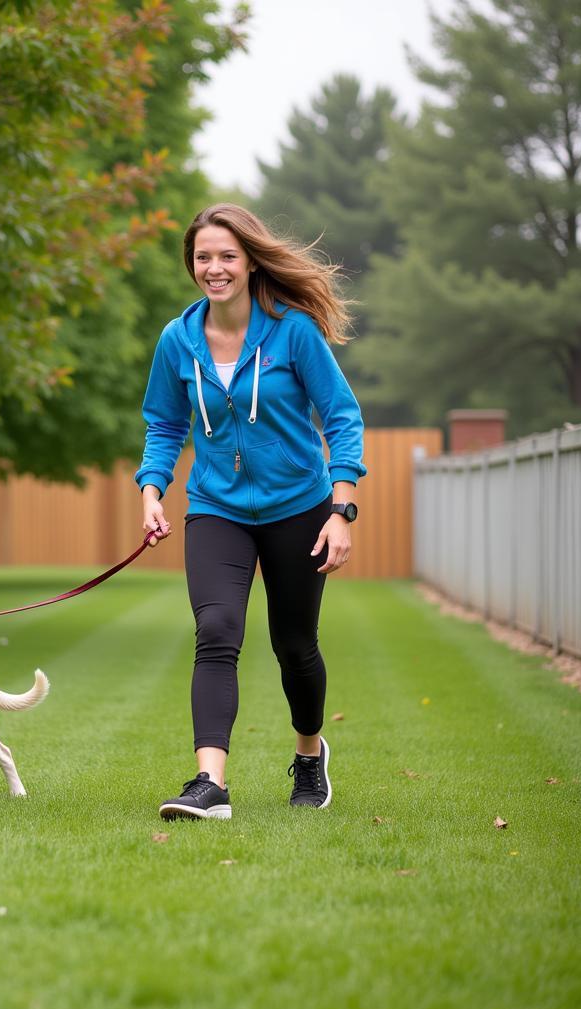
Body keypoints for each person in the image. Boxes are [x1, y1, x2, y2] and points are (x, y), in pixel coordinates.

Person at [136, 203, 366, 821]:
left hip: (299, 507)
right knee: (215, 633)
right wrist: (153, 490)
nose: (214, 268)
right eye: (203, 256)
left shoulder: (291, 331)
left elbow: (342, 417)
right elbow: (163, 422)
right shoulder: (176, 340)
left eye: (226, 256)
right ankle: (210, 784)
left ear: (250, 261)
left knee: (294, 645)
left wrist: (341, 508)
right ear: (191, 264)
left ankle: (311, 755)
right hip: (216, 508)